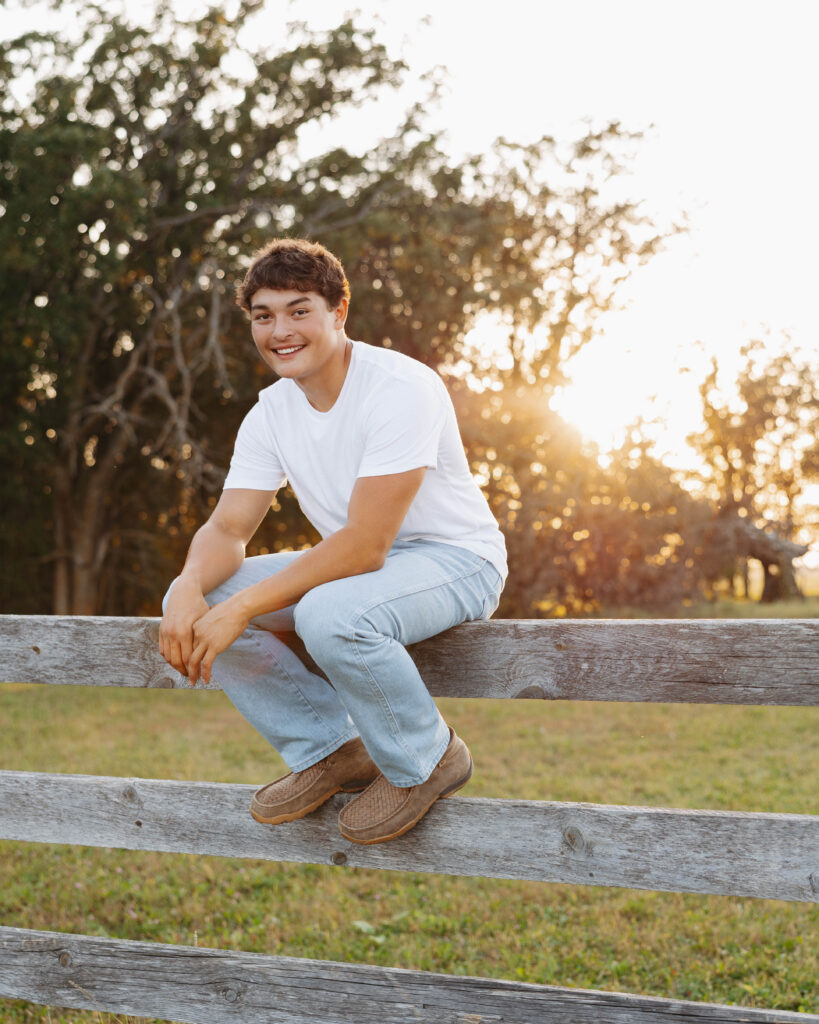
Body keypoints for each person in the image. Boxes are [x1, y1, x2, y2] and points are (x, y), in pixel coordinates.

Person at [158, 238, 506, 845]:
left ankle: (425, 758)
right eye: (264, 316)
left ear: (338, 312)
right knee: (205, 594)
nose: (280, 330)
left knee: (328, 612)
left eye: (299, 310)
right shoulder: (269, 413)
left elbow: (367, 544)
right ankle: (334, 749)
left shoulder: (400, 387)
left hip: (456, 560)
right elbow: (227, 529)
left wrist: (243, 608)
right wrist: (188, 587)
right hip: (367, 572)